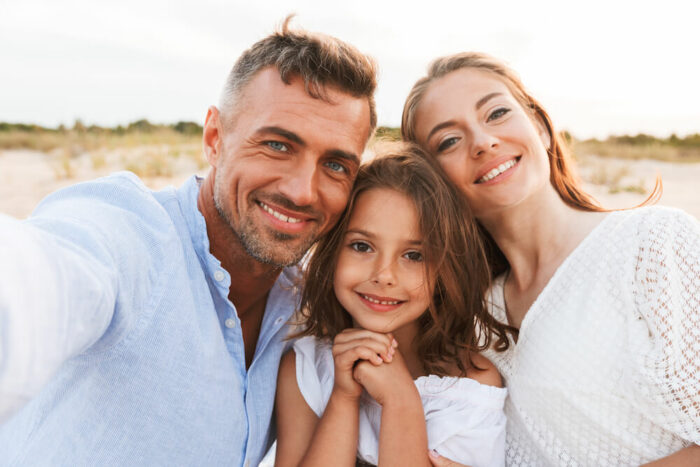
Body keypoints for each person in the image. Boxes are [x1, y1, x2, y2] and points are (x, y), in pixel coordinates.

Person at [0, 18, 377, 465]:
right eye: (277, 145)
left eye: (335, 165)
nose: (302, 191)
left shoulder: (309, 305)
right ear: (215, 138)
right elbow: (39, 277)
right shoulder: (133, 232)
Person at [401, 52, 700, 466]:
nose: (483, 141)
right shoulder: (474, 320)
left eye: (497, 113)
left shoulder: (650, 244)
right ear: (436, 182)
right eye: (449, 141)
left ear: (540, 127)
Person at [274, 144, 513, 467]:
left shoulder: (469, 385)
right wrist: (344, 398)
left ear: (443, 271)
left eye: (414, 255)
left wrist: (401, 400)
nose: (384, 275)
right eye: (362, 246)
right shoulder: (306, 368)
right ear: (331, 252)